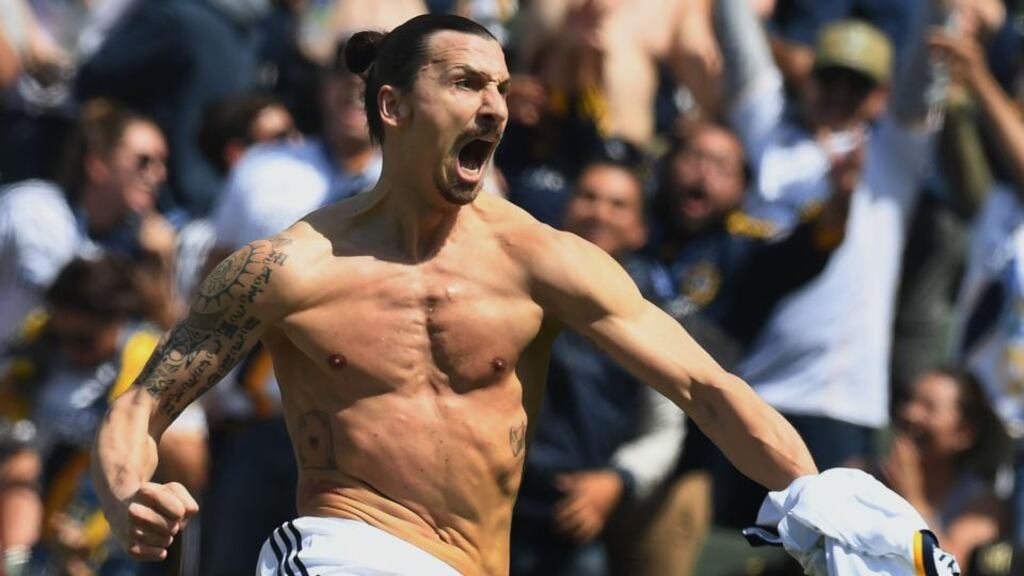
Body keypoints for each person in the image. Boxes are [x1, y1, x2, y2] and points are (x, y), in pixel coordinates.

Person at [91, 14, 822, 575]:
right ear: (394, 106)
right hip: (339, 549)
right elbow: (140, 406)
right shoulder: (286, 268)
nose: (497, 107)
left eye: (501, 87)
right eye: (468, 83)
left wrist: (821, 497)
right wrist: (127, 497)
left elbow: (707, 387)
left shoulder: (546, 260)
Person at [510, 159, 685, 576]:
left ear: (640, 229)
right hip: (492, 507)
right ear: (567, 208)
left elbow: (664, 429)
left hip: (573, 520)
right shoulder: (516, 284)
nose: (599, 212)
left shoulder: (653, 319)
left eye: (617, 204)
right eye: (588, 197)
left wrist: (617, 480)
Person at [881, 368, 1011, 573]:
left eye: (929, 407)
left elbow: (952, 566)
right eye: (910, 401)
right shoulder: (869, 475)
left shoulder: (983, 505)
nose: (911, 413)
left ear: (964, 433)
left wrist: (912, 497)